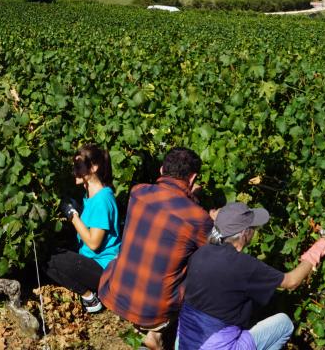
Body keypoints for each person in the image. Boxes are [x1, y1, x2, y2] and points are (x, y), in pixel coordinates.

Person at [98, 147, 214, 350]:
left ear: (161, 170)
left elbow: (169, 212)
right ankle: (159, 333)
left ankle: (148, 332)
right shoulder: (198, 218)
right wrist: (207, 216)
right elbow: (213, 257)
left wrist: (190, 200)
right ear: (193, 177)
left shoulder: (138, 192)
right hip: (154, 310)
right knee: (201, 264)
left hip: (114, 293)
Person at [177, 203, 325, 350]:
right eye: (252, 227)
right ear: (245, 234)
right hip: (214, 346)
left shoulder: (201, 253)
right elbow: (292, 281)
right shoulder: (244, 265)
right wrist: (316, 251)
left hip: (185, 343)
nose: (255, 230)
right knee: (284, 324)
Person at [47, 144, 122, 313]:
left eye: (78, 166)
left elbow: (94, 243)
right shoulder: (90, 195)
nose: (74, 171)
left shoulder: (102, 200)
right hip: (92, 262)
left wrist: (73, 215)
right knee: (50, 256)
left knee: (51, 258)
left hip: (105, 270)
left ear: (94, 168)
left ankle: (91, 298)